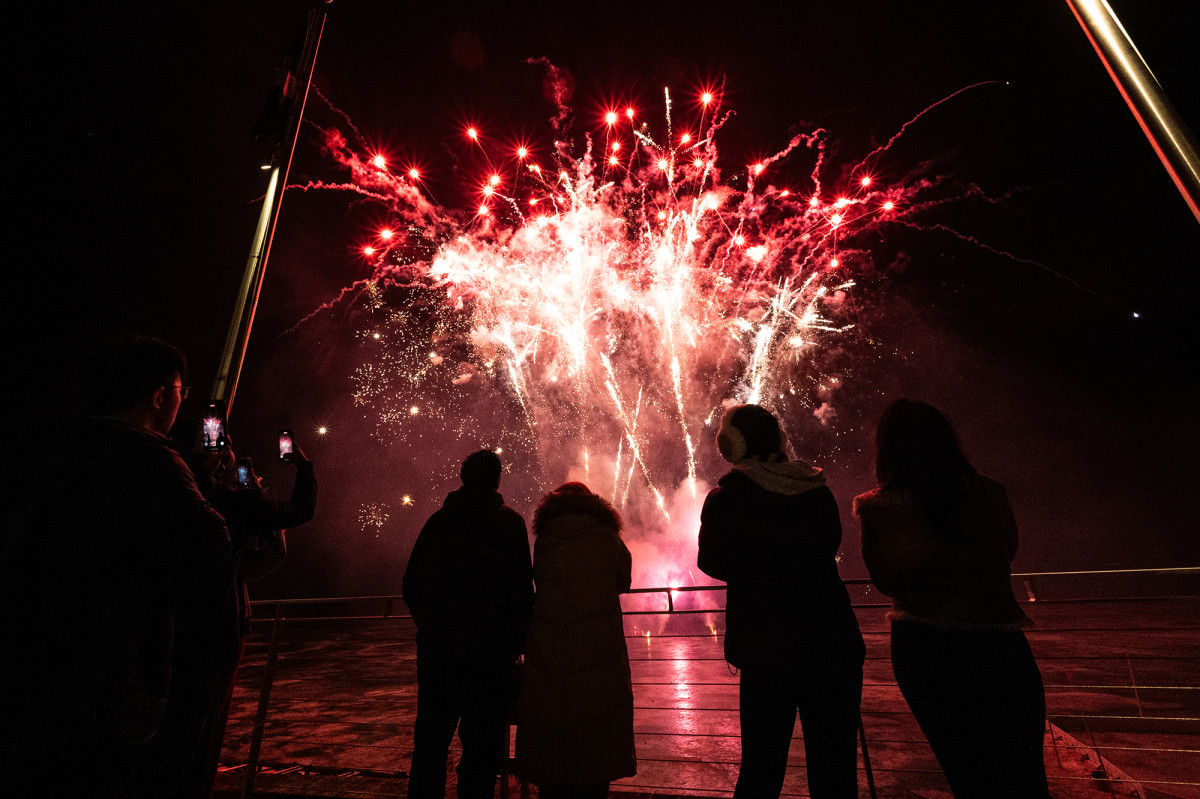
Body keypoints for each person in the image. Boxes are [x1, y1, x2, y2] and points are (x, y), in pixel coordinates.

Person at [0, 336, 232, 797]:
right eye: (180, 390)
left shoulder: (37, 451)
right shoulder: (150, 460)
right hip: (109, 696)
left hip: (24, 683)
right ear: (161, 394)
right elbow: (211, 551)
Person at [853, 399, 1050, 798]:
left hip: (927, 651)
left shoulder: (880, 508)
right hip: (1002, 645)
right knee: (1027, 776)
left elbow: (888, 582)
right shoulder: (991, 494)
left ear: (888, 449)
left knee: (968, 776)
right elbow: (1006, 551)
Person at [697, 403, 865, 799]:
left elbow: (711, 560)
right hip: (832, 643)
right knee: (835, 771)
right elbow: (829, 547)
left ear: (730, 445)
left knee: (761, 769)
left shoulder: (727, 497)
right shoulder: (815, 487)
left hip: (766, 650)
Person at [152, 435, 317, 798]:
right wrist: (302, 468)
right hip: (216, 627)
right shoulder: (231, 504)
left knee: (165, 728)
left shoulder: (160, 492)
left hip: (164, 624)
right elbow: (301, 510)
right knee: (200, 731)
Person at [403, 449, 534, 799]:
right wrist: (515, 644)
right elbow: (522, 591)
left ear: (463, 479)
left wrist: (431, 626)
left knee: (430, 743)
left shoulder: (438, 522)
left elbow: (411, 583)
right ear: (497, 480)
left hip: (439, 654)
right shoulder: (510, 523)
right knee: (482, 751)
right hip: (490, 659)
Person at [516, 482, 637, 799]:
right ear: (592, 504)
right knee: (597, 736)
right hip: (599, 649)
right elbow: (623, 580)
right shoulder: (606, 536)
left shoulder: (545, 539)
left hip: (550, 648)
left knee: (552, 736)